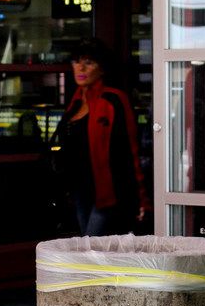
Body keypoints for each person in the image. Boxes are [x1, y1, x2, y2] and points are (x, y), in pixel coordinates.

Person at [56, 38, 150, 236]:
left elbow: (130, 150)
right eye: (76, 62)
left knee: (92, 248)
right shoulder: (74, 103)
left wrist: (142, 199)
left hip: (108, 193)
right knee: (87, 247)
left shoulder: (113, 99)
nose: (80, 67)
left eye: (88, 63)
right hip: (79, 191)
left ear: (102, 69)